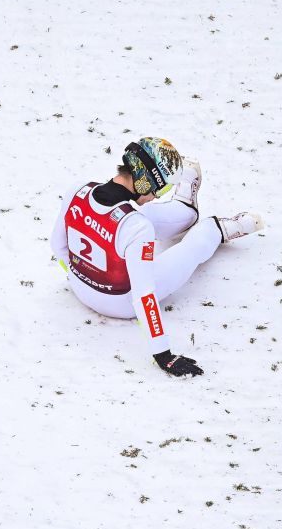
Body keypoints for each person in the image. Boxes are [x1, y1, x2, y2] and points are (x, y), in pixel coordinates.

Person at [50, 137, 263, 377]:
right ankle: (215, 228)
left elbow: (57, 246)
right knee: (188, 251)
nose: (158, 196)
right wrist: (163, 355)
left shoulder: (77, 190)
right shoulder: (136, 227)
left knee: (139, 215)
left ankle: (186, 210)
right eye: (160, 189)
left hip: (80, 289)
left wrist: (79, 275)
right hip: (122, 303)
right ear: (146, 180)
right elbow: (144, 295)